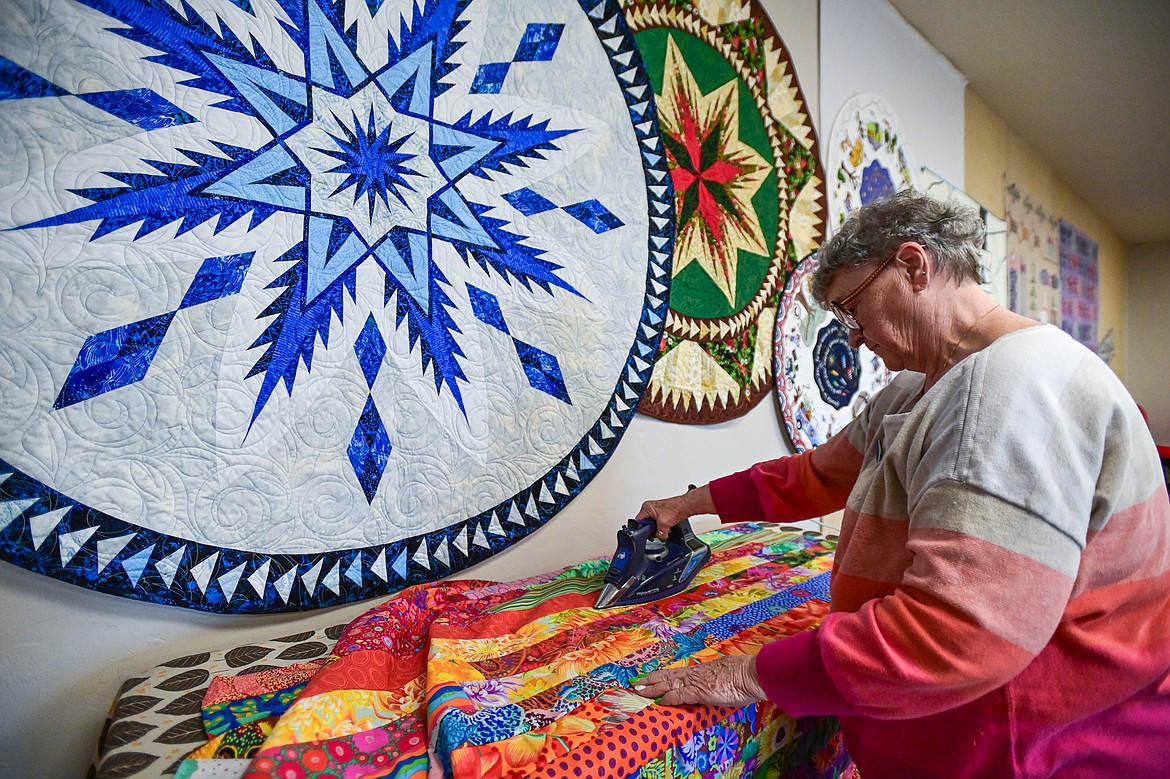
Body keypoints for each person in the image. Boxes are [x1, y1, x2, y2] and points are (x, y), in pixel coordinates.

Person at [632, 190, 1170, 778]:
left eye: (852, 309)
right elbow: (814, 476)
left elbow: (956, 635)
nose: (854, 337)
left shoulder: (1008, 392)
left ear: (913, 265)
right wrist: (687, 504)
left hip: (1035, 745)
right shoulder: (920, 386)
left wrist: (753, 672)